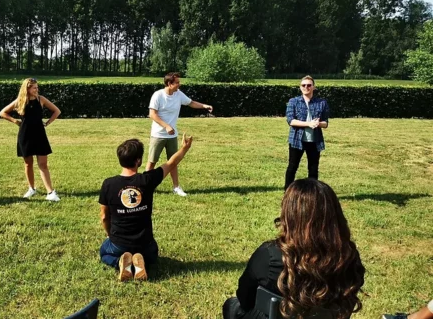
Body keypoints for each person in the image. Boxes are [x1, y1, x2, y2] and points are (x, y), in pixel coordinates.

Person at [223, 178, 365, 319]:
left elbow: (245, 298)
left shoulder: (270, 256)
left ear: (289, 214)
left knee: (231, 305)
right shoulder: (348, 258)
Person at [99, 133, 193, 281]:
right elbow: (171, 163)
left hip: (119, 243)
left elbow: (104, 216)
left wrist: (110, 234)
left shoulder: (108, 184)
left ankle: (120, 262)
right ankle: (141, 262)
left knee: (104, 252)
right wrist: (184, 148)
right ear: (138, 160)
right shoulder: (147, 180)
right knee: (152, 256)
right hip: (145, 244)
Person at [146, 72, 212, 196]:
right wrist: (166, 126)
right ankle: (146, 186)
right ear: (169, 84)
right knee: (152, 161)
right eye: (177, 82)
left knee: (173, 162)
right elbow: (152, 114)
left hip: (172, 135)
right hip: (158, 135)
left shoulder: (178, 94)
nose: (179, 84)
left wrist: (204, 106)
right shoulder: (158, 95)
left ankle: (176, 187)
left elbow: (190, 102)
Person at [0, 78, 61, 202]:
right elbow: (3, 112)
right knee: (28, 163)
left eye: (37, 87)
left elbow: (57, 111)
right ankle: (31, 189)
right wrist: (15, 121)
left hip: (39, 134)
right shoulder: (20, 101)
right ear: (27, 88)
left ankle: (51, 192)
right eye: (34, 88)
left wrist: (48, 122)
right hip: (25, 135)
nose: (36, 90)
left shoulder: (41, 99)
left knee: (43, 164)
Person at [284, 75, 330, 190]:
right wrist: (308, 124)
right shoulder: (293, 101)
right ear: (300, 87)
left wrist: (318, 124)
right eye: (303, 85)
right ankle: (287, 192)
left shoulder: (322, 103)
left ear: (313, 87)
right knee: (292, 167)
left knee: (313, 169)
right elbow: (291, 121)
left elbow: (325, 123)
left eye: (309, 85)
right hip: (296, 140)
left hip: (315, 140)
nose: (306, 87)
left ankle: (312, 193)